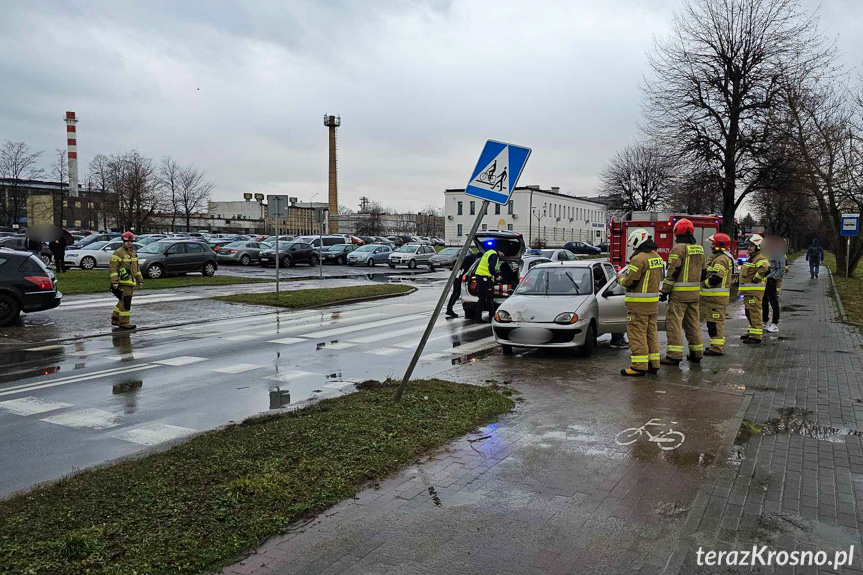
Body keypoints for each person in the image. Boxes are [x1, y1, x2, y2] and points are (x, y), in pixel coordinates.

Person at [660, 218, 705, 366]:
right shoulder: (699, 248)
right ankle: (697, 353)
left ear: (677, 232)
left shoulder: (678, 248)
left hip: (679, 295)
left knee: (674, 324)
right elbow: (704, 272)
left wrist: (665, 291)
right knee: (693, 323)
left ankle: (674, 355)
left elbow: (673, 271)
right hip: (694, 294)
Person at [618, 228, 663, 377]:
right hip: (652, 304)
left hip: (638, 305)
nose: (633, 248)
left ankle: (639, 366)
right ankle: (653, 364)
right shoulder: (656, 256)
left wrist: (620, 279)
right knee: (651, 334)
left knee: (637, 334)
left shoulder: (638, 259)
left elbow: (630, 281)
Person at [701, 233, 734, 356]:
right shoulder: (720, 257)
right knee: (713, 322)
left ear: (719, 245)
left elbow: (717, 277)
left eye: (713, 244)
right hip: (715, 299)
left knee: (715, 323)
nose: (711, 246)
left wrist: (705, 285)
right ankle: (716, 346)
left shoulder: (721, 259)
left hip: (716, 298)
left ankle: (717, 348)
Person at [109, 232, 144, 330]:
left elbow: (136, 269)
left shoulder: (133, 253)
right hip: (122, 282)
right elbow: (113, 268)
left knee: (122, 300)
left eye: (131, 241)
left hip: (131, 282)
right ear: (123, 241)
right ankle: (124, 322)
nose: (129, 243)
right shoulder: (118, 252)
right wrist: (115, 281)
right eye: (127, 241)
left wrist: (140, 280)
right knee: (126, 301)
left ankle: (115, 318)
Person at [739, 234, 770, 344]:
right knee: (749, 312)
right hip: (748, 291)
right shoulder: (753, 257)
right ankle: (752, 332)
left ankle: (756, 336)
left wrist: (756, 279)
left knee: (754, 312)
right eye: (748, 245)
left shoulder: (760, 257)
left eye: (751, 245)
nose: (749, 247)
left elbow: (765, 267)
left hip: (754, 291)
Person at [473, 245, 505, 323]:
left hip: (480, 276)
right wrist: (497, 276)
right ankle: (492, 317)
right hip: (485, 278)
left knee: (482, 298)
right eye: (503, 253)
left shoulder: (488, 252)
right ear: (500, 251)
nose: (503, 255)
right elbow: (491, 268)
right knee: (489, 298)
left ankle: (478, 317)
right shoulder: (494, 255)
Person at [445, 249, 479, 318]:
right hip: (462, 278)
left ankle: (449, 308)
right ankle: (449, 309)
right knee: (456, 293)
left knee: (455, 293)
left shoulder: (469, 258)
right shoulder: (475, 260)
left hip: (458, 276)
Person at [762, 243, 785, 333]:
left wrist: (772, 278)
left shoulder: (779, 255)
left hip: (771, 280)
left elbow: (781, 270)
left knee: (773, 301)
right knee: (764, 301)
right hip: (764, 281)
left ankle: (775, 323)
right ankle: (765, 321)